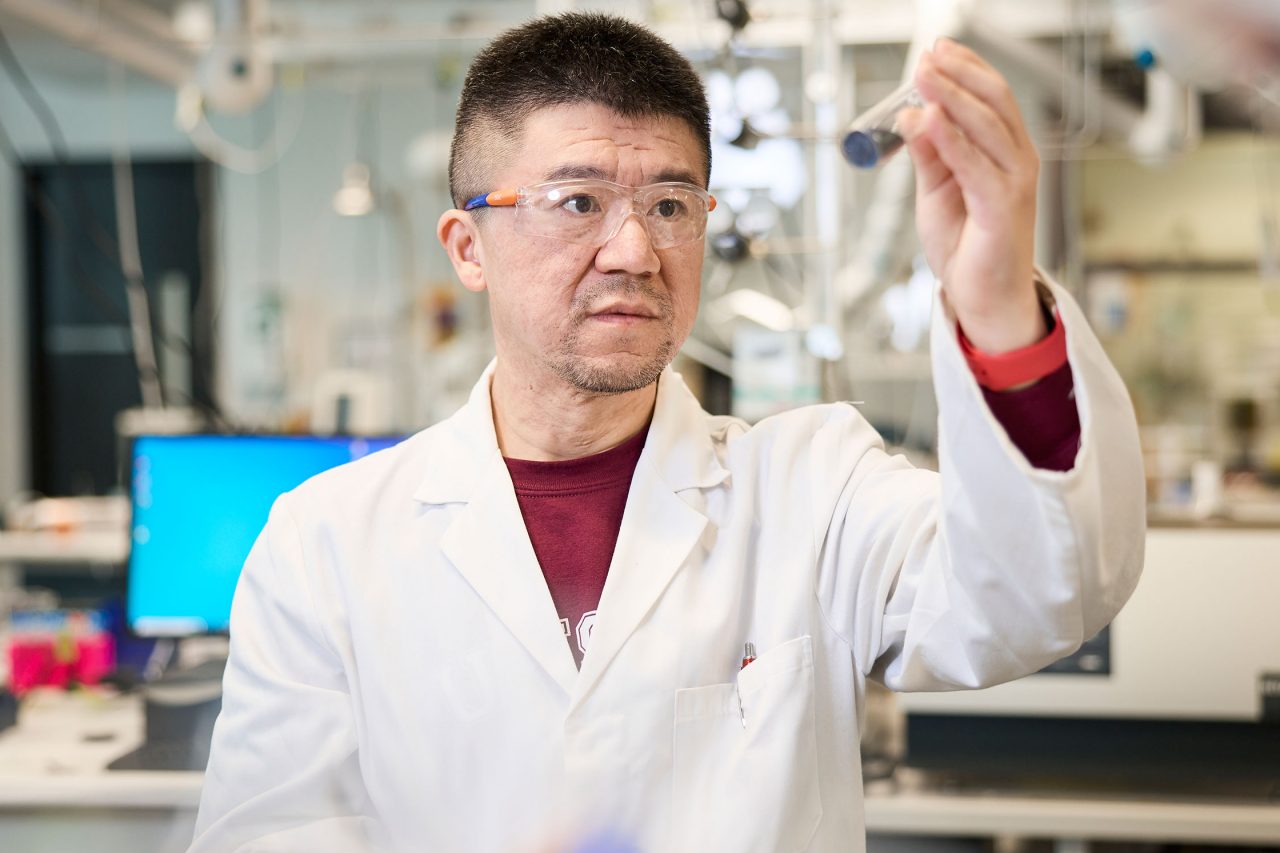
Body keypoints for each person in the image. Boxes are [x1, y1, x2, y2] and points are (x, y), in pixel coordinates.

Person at [189, 12, 1145, 853]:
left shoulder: (812, 489)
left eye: (672, 204)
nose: (636, 250)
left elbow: (1038, 595)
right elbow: (272, 833)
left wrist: (993, 302)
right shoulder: (325, 543)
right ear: (467, 247)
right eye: (578, 202)